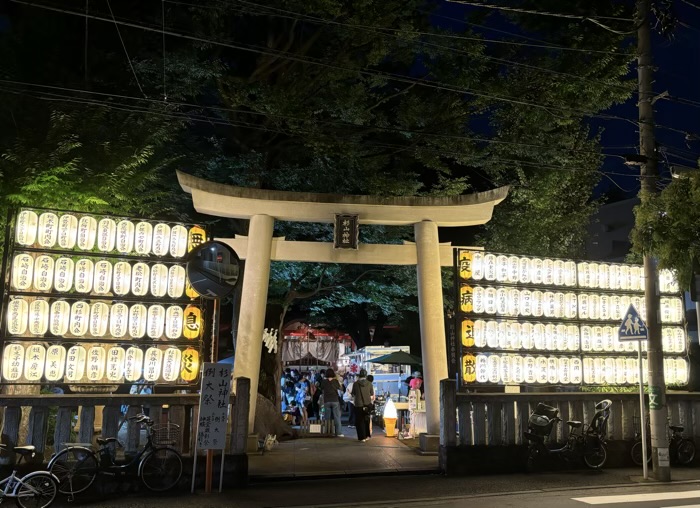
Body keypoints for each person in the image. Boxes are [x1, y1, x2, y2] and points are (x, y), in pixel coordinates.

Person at [351, 369, 374, 442]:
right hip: (367, 404)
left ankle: (362, 437)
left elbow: (353, 393)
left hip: (358, 404)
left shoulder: (355, 384)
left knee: (359, 421)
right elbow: (371, 393)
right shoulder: (370, 383)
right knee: (366, 420)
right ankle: (367, 435)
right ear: (366, 375)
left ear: (359, 376)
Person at [320, 368, 344, 437]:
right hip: (335, 400)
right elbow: (340, 389)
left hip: (326, 400)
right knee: (337, 417)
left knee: (327, 417)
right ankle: (338, 433)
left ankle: (328, 432)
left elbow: (321, 388)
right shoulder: (336, 381)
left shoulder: (324, 381)